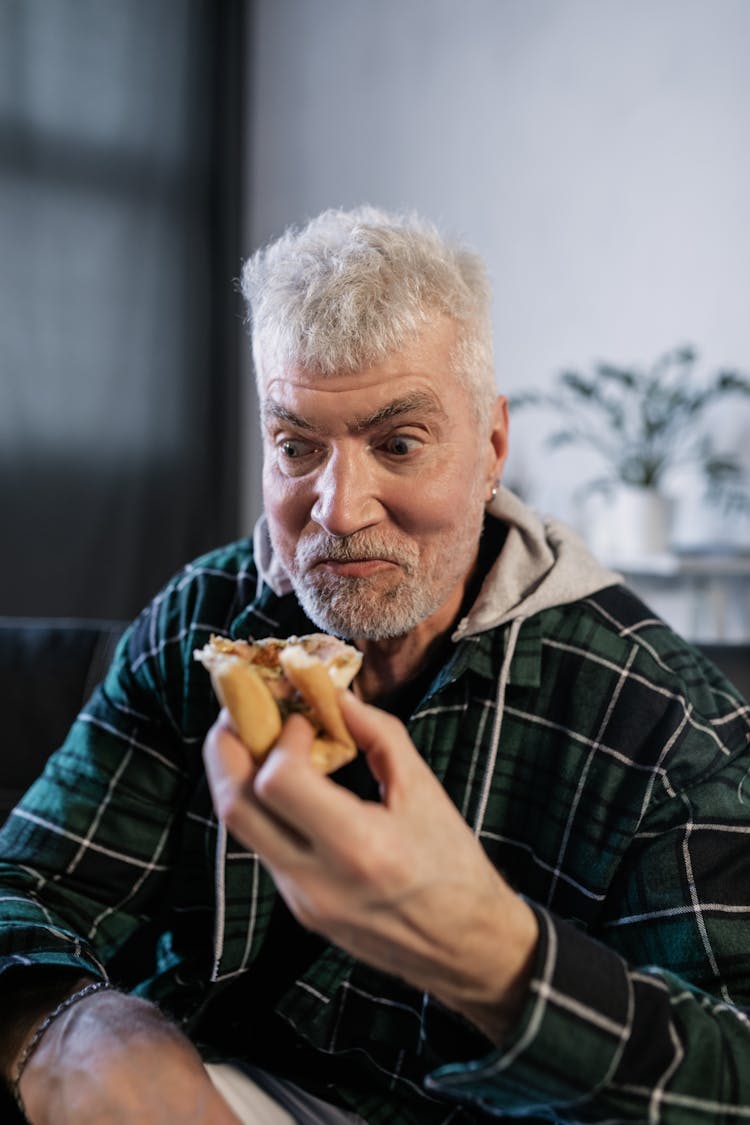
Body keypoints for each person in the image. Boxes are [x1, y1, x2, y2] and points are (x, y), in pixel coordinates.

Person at [1, 206, 750, 1125]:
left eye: (398, 443)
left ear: (491, 449)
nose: (340, 510)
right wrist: (72, 1029)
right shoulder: (204, 618)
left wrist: (493, 955)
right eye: (296, 446)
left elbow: (733, 1069)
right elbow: (26, 883)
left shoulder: (665, 724)